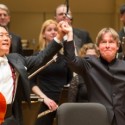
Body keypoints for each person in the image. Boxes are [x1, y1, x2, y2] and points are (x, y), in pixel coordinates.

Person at [0, 20, 71, 125]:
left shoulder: (16, 59)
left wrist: (60, 36)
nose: (6, 38)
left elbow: (41, 58)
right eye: (1, 35)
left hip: (10, 117)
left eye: (7, 35)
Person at [63, 26, 125, 125]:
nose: (107, 45)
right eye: (104, 42)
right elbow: (71, 60)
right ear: (98, 46)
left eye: (111, 42)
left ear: (117, 46)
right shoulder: (89, 64)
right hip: (98, 120)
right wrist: (69, 35)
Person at [30, 19, 72, 125]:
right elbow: (31, 82)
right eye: (49, 30)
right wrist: (45, 99)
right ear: (43, 34)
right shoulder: (37, 57)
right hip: (44, 101)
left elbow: (70, 80)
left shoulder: (65, 57)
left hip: (62, 102)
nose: (53, 32)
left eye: (56, 30)